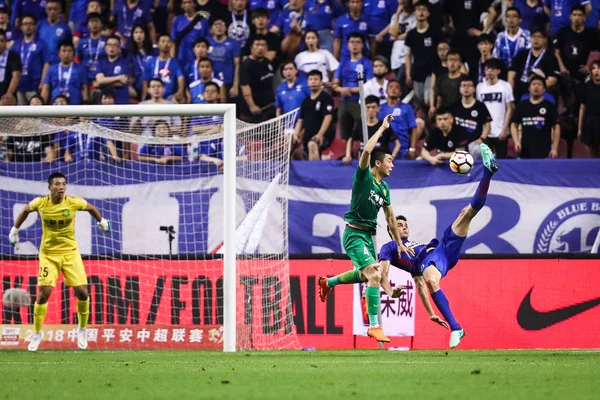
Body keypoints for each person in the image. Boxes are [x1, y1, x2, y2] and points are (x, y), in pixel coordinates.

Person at [378, 144, 499, 348]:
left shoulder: (415, 247)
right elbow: (399, 277)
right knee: (430, 279)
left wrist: (432, 311)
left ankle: (488, 172)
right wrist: (430, 312)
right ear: (391, 230)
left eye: (405, 224)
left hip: (442, 250)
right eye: (399, 225)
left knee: (466, 213)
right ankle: (456, 327)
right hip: (430, 263)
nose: (404, 227)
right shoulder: (389, 248)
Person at [317, 114, 413, 344]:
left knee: (365, 274)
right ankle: (374, 326)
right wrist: (382, 128)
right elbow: (367, 152)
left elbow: (390, 216)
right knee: (374, 273)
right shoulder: (363, 177)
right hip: (353, 234)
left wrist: (399, 243)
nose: (393, 164)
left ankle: (327, 283)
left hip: (368, 236)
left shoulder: (385, 188)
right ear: (378, 164)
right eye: (390, 160)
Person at [8, 172, 111, 352]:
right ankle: (37, 333)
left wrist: (101, 221)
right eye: (57, 184)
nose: (61, 187)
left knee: (82, 293)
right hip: (48, 255)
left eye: (63, 184)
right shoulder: (40, 203)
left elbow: (91, 208)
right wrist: (14, 230)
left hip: (70, 253)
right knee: (43, 295)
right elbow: (25, 211)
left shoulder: (73, 202)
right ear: (50, 187)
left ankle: (82, 329)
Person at [333, 33, 373, 140]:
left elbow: (370, 85)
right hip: (344, 100)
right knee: (345, 131)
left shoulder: (367, 63)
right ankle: (348, 154)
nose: (354, 45)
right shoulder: (343, 63)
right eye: (352, 42)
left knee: (362, 128)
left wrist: (350, 90)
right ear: (347, 45)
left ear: (362, 45)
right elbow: (334, 84)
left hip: (359, 101)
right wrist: (341, 89)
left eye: (357, 42)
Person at [511, 75, 560, 158]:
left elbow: (556, 127)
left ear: (544, 89)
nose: (536, 86)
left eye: (539, 84)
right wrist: (516, 142)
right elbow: (513, 125)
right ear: (529, 89)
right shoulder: (522, 106)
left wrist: (554, 148)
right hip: (525, 150)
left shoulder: (549, 106)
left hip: (545, 150)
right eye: (533, 84)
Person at [343, 95, 400, 164]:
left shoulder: (384, 125)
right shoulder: (360, 125)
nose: (370, 110)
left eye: (373, 107)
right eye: (368, 107)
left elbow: (397, 144)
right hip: (364, 163)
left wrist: (392, 157)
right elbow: (350, 140)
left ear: (378, 108)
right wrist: (348, 155)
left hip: (380, 164)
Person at [292, 70, 334, 160]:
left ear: (321, 82)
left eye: (316, 79)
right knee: (289, 144)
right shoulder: (305, 101)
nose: (313, 81)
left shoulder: (326, 98)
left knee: (312, 144)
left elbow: (328, 117)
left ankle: (315, 174)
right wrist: (296, 134)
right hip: (307, 136)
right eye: (310, 79)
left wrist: (320, 134)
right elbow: (300, 120)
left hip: (324, 136)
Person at [477, 58, 515, 158]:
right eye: (487, 69)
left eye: (492, 69)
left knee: (502, 160)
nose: (489, 71)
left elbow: (509, 109)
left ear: (498, 71)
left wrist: (505, 129)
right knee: (486, 160)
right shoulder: (479, 87)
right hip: (485, 131)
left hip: (500, 130)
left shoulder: (506, 86)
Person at [13, 15, 48, 105]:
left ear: (35, 26)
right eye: (25, 24)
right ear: (21, 27)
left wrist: (43, 82)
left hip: (34, 85)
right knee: (21, 115)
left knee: (34, 114)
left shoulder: (41, 43)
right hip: (19, 85)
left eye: (30, 24)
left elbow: (46, 63)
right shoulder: (16, 44)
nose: (28, 26)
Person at [378, 80, 419, 159]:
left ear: (400, 92)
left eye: (397, 88)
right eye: (391, 87)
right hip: (383, 150)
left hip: (402, 150)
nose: (393, 89)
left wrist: (412, 149)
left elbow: (413, 128)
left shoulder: (407, 108)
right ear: (386, 90)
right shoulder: (380, 108)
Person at [239, 35, 275, 122]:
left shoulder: (268, 62)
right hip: (253, 111)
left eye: (263, 45)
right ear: (252, 47)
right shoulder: (246, 65)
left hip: (268, 107)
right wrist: (252, 106)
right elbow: (245, 86)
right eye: (257, 45)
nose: (260, 48)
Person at [453, 76, 492, 158]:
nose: (466, 88)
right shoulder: (454, 106)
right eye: (464, 85)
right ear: (460, 89)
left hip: (474, 142)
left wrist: (482, 138)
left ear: (474, 89)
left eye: (469, 86)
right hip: (457, 142)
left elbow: (488, 126)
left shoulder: (480, 106)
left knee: (479, 150)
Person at [141, 34, 185, 102]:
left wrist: (180, 91)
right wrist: (143, 98)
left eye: (168, 41)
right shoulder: (150, 62)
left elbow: (180, 78)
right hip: (152, 98)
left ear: (171, 44)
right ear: (157, 44)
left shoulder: (176, 63)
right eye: (163, 41)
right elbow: (145, 81)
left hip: (169, 97)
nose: (166, 44)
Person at [171, 0, 209, 67]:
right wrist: (172, 60)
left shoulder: (203, 21)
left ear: (194, 4)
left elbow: (206, 41)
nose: (187, 5)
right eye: (184, 3)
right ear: (182, 5)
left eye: (189, 2)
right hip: (182, 56)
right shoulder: (177, 20)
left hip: (198, 58)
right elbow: (173, 42)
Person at [36, 0, 72, 65]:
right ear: (46, 10)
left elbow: (69, 45)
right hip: (40, 62)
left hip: (57, 62)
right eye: (50, 9)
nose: (52, 12)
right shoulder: (39, 25)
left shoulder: (65, 27)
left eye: (55, 9)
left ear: (59, 10)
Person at [578, 60, 600, 157]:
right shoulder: (586, 87)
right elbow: (582, 108)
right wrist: (579, 128)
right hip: (589, 122)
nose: (596, 71)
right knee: (592, 154)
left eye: (599, 68)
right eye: (593, 68)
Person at [0, 28, 22, 105]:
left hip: (6, 95)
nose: (0, 43)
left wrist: (8, 94)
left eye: (2, 41)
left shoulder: (13, 56)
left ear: (6, 42)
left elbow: (16, 76)